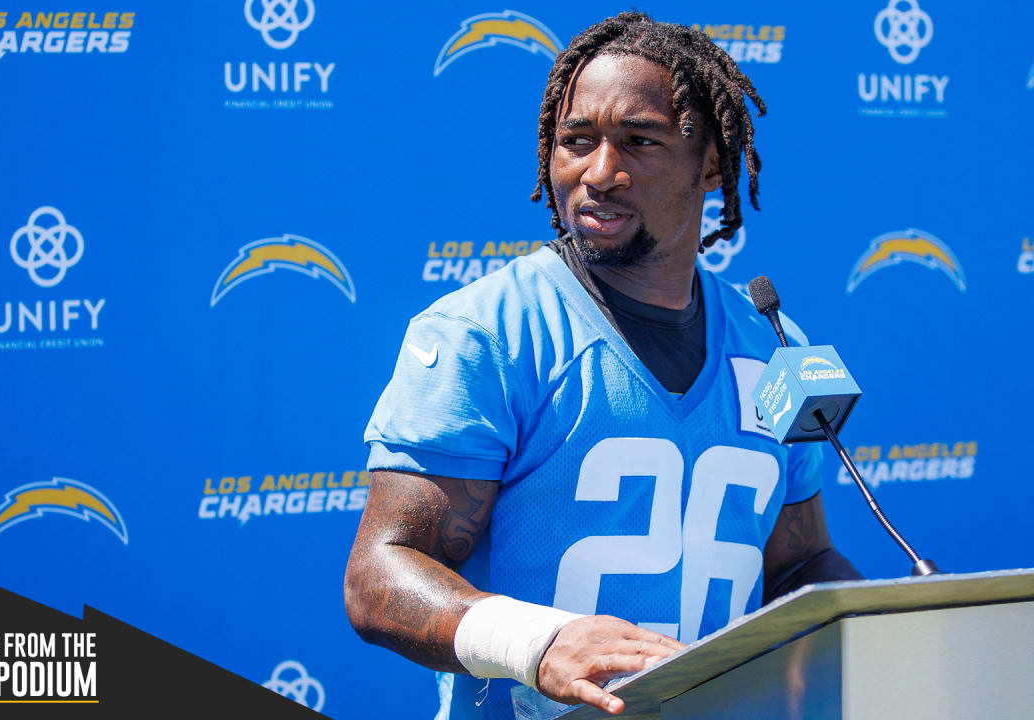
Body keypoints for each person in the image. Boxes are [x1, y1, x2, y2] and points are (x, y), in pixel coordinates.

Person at [344, 12, 860, 719]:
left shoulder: (777, 347)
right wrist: (539, 641)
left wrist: (873, 628)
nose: (600, 173)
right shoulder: (488, 333)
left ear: (710, 161)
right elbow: (380, 574)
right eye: (576, 142)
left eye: (639, 141)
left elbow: (797, 564)